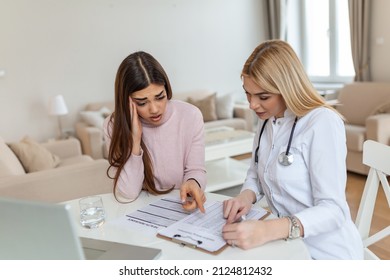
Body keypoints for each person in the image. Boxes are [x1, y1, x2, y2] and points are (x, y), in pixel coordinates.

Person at [222, 40, 363, 259]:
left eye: (263, 97)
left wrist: (269, 229)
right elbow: (256, 172)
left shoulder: (321, 122)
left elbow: (334, 210)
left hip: (327, 253)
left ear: (286, 88)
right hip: (287, 246)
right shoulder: (266, 120)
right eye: (248, 94)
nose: (252, 105)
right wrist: (245, 197)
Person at [104, 51, 206, 212]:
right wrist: (135, 141)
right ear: (126, 101)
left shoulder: (190, 115)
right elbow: (128, 194)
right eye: (142, 102)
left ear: (167, 89)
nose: (154, 109)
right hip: (139, 211)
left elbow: (195, 169)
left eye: (160, 97)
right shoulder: (113, 125)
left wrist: (194, 182)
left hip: (180, 207)